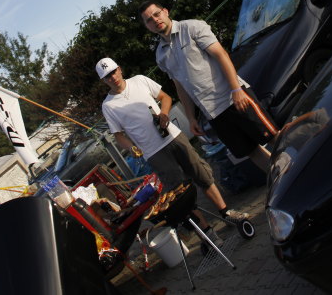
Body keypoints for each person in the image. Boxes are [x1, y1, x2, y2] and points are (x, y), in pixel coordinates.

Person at [95, 57, 248, 248]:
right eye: (107, 76)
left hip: (173, 137)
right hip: (153, 152)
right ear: (103, 81)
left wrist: (164, 114)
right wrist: (131, 147)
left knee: (201, 173)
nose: (113, 77)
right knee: (179, 192)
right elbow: (118, 135)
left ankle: (226, 212)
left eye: (113, 72)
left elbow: (165, 97)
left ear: (119, 69)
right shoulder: (108, 106)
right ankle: (207, 232)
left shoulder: (140, 80)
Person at [137, 2, 274, 174]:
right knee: (250, 151)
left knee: (273, 137)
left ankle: (301, 164)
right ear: (147, 26)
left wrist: (236, 90)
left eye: (157, 14)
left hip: (233, 98)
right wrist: (191, 118)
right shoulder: (160, 55)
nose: (155, 20)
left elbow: (221, 55)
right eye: (149, 20)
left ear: (165, 11)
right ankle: (284, 179)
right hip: (213, 113)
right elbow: (180, 86)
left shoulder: (192, 27)